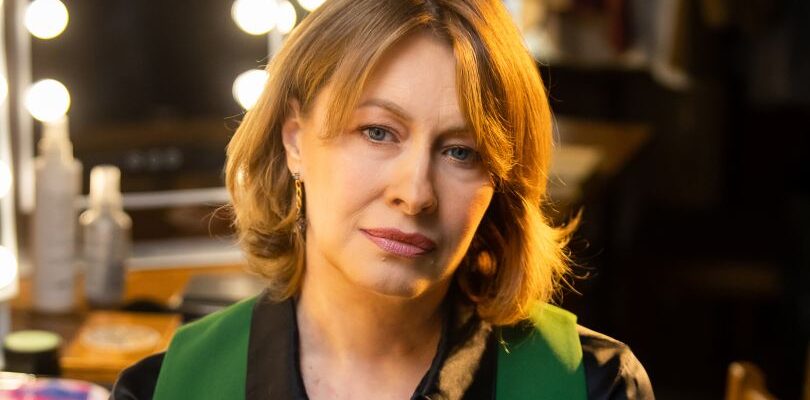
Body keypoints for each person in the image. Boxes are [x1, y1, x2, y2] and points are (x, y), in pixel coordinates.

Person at [112, 0, 654, 398]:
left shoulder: (594, 385)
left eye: (461, 152)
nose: (415, 194)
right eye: (377, 132)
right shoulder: (164, 389)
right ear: (295, 140)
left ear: (500, 182)